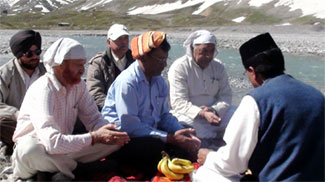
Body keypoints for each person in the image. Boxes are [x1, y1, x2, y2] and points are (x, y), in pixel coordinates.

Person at [193, 33, 324, 181]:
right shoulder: (317, 95)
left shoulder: (256, 100)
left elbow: (233, 164)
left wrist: (208, 156)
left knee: (204, 173)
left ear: (253, 72)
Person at [11, 38, 130, 181]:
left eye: (83, 65)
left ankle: (56, 170)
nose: (82, 70)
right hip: (38, 152)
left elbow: (93, 117)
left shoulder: (78, 86)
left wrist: (108, 132)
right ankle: (78, 169)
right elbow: (51, 142)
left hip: (62, 149)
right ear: (61, 65)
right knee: (31, 149)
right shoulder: (43, 88)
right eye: (78, 65)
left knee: (116, 141)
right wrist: (94, 137)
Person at [101, 31, 201, 179]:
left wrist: (182, 132)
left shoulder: (159, 81)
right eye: (160, 60)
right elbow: (130, 127)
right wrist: (170, 138)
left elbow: (164, 116)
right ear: (143, 57)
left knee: (183, 140)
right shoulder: (127, 83)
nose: (165, 64)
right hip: (123, 139)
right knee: (154, 148)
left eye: (165, 59)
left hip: (150, 133)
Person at [168, 30, 233, 150]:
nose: (208, 56)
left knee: (238, 114)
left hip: (215, 114)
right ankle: (211, 142)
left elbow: (226, 95)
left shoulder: (218, 67)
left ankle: (217, 140)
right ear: (193, 49)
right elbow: (178, 102)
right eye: (204, 51)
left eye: (211, 51)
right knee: (181, 123)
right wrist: (202, 113)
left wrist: (214, 109)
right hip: (191, 114)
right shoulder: (180, 67)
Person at [0, 30, 46, 156]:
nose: (35, 57)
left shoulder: (47, 71)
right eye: (29, 54)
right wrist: (18, 114)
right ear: (18, 54)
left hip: (47, 121)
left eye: (37, 52)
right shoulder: (5, 73)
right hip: (19, 123)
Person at [86, 23, 135, 111]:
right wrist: (115, 108)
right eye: (119, 39)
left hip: (133, 110)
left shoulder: (136, 61)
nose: (123, 42)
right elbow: (94, 92)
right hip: (106, 112)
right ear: (109, 42)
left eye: (126, 38)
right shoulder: (98, 63)